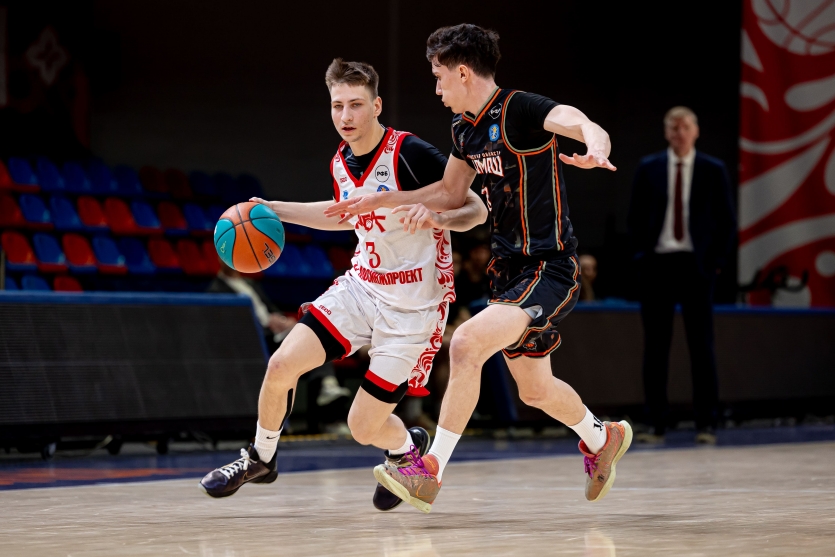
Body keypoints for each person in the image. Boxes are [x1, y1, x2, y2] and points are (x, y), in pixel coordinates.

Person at [326, 24, 630, 513]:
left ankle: (430, 470)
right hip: (506, 271)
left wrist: (596, 144)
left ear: (463, 72)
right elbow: (449, 192)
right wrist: (384, 200)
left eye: (439, 76)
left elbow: (578, 120)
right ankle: (603, 437)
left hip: (549, 266)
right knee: (535, 390)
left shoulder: (521, 109)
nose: (436, 88)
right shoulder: (464, 129)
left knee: (466, 343)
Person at [199, 58, 488, 512]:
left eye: (356, 104)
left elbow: (476, 208)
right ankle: (261, 458)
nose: (346, 116)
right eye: (337, 106)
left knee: (362, 427)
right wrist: (273, 209)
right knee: (281, 364)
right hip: (362, 287)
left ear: (377, 106)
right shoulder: (340, 161)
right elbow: (342, 216)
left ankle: (405, 448)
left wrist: (439, 218)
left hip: (412, 307)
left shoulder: (409, 152)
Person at [627, 106, 736, 444]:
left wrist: (716, 262)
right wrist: (641, 257)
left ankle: (706, 423)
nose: (680, 133)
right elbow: (634, 216)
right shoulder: (649, 167)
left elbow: (726, 220)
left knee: (701, 345)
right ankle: (656, 423)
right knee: (655, 346)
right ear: (666, 133)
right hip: (658, 264)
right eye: (673, 128)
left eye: (685, 127)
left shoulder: (712, 169)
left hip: (696, 266)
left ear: (696, 131)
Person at [207, 261, 352, 432]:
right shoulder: (215, 290)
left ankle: (329, 392)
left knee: (315, 342)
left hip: (275, 334)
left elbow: (271, 309)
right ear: (220, 259)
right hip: (256, 340)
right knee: (305, 346)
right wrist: (265, 324)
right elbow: (232, 327)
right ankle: (325, 394)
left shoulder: (250, 283)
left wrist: (283, 320)